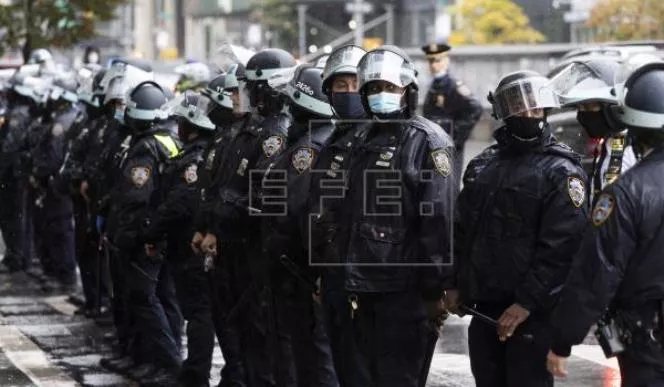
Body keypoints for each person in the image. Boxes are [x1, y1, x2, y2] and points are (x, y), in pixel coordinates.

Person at [445, 70, 589, 387]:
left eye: (535, 109)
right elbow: (461, 229)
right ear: (504, 112)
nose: (528, 114)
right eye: (519, 108)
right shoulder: (484, 164)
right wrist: (454, 283)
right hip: (484, 310)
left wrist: (525, 303)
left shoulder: (561, 170)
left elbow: (563, 248)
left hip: (531, 317)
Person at [324, 45, 455, 387]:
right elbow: (343, 211)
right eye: (373, 89)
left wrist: (434, 289)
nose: (381, 95)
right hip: (359, 287)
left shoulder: (428, 141)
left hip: (403, 292)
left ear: (407, 90)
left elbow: (437, 221)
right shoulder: (362, 137)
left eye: (390, 88)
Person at [545, 59, 664, 387]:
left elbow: (598, 269)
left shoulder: (627, 191)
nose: (586, 114)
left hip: (648, 341)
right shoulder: (613, 163)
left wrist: (563, 339)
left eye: (591, 106)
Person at [198, 48, 295, 386]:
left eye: (248, 88)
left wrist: (226, 210)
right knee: (243, 325)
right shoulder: (251, 127)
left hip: (259, 245)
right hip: (238, 243)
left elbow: (263, 194)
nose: (241, 96)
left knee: (263, 332)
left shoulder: (276, 131)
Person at [257, 63, 338, 386]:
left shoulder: (308, 147)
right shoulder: (312, 139)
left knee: (313, 353)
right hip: (299, 266)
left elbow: (293, 208)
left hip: (299, 268)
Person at [143, 91, 217, 387]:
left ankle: (196, 373)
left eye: (181, 122)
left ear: (193, 125)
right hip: (182, 246)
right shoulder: (191, 153)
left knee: (199, 315)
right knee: (192, 311)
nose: (178, 128)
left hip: (190, 249)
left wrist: (151, 231)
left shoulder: (194, 160)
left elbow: (179, 203)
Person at [306, 44, 367, 385]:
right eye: (339, 87)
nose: (348, 94)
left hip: (372, 279)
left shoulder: (392, 139)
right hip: (334, 273)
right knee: (342, 362)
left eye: (354, 85)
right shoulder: (332, 140)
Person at [549, 57, 637, 204]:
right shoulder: (610, 144)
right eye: (579, 109)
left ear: (613, 108)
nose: (582, 115)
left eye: (589, 107)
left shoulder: (630, 151)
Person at [421, 41, 483, 189]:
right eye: (430, 61)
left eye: (438, 60)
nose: (433, 64)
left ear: (446, 61)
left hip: (448, 145)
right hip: (434, 144)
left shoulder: (454, 85)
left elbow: (475, 108)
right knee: (434, 187)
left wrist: (455, 135)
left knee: (447, 186)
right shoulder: (434, 85)